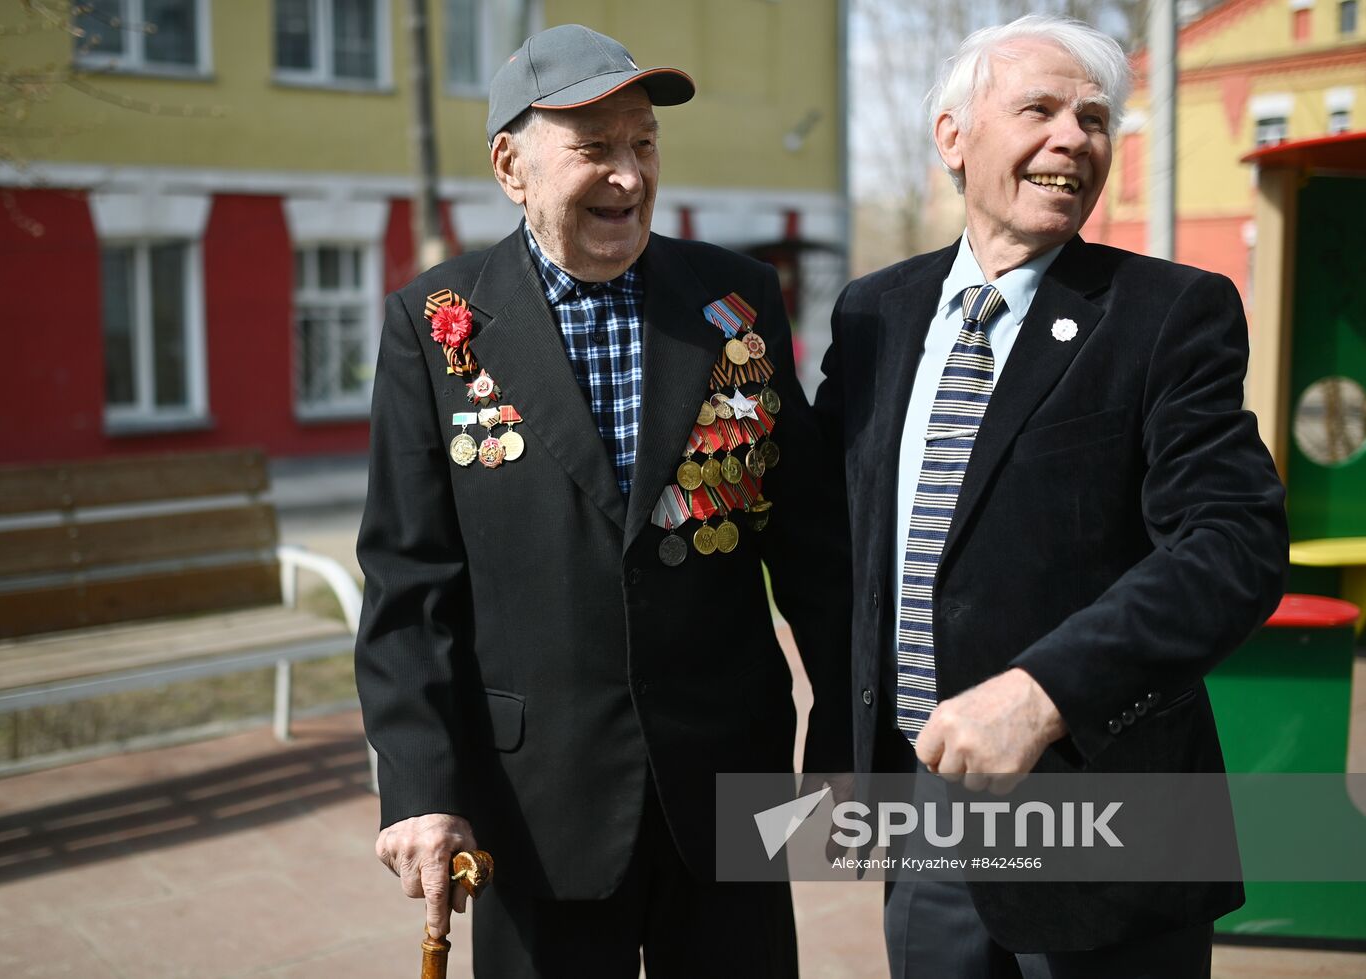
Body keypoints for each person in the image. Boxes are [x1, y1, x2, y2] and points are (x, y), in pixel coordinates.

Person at [354, 23, 851, 978]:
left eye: (644, 143)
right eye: (595, 149)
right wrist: (420, 785)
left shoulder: (736, 298)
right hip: (534, 803)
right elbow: (408, 578)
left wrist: (837, 745)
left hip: (729, 788)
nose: (629, 175)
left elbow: (813, 546)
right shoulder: (435, 325)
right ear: (512, 166)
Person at [815, 14, 1287, 978]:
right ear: (953, 136)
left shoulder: (1168, 314)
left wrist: (1044, 694)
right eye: (1039, 108)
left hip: (1111, 823)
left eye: (1095, 118)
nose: (1073, 137)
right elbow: (825, 527)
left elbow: (1231, 546)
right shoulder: (876, 313)